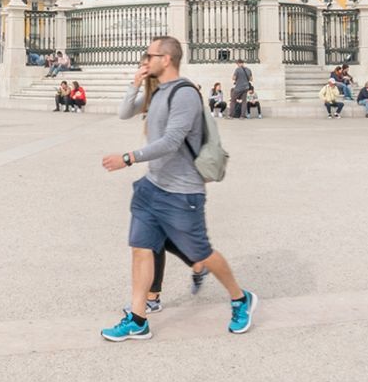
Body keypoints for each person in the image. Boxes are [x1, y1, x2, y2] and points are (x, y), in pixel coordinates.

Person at [100, 36, 256, 342]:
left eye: (149, 55)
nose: (145, 59)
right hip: (151, 187)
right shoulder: (158, 90)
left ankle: (240, 298)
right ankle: (137, 318)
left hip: (182, 192)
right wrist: (135, 82)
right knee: (141, 249)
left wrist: (128, 158)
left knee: (201, 253)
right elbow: (123, 112)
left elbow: (171, 142)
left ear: (166, 59)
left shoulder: (184, 94)